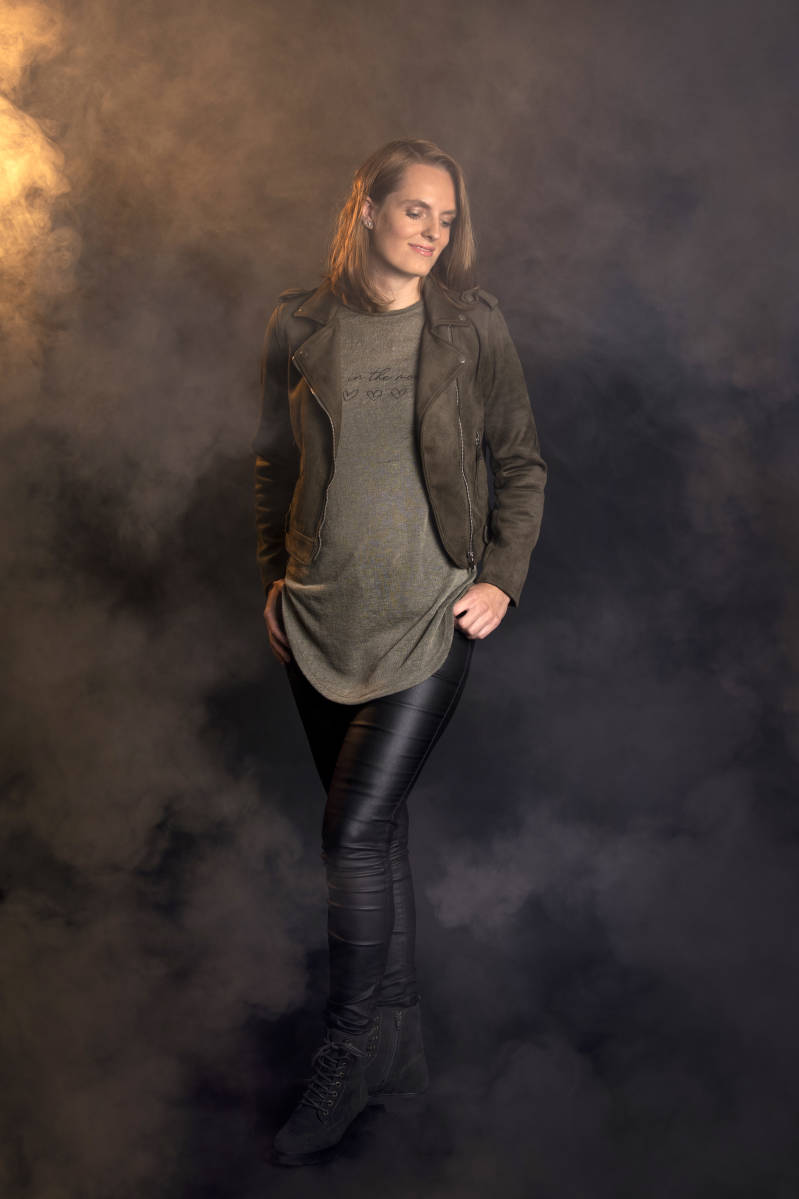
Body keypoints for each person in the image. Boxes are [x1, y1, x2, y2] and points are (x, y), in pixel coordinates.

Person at [253, 138, 546, 1166]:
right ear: (368, 208)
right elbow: (271, 461)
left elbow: (520, 461)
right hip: (320, 620)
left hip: (427, 618)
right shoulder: (299, 323)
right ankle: (401, 1046)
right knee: (379, 840)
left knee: (352, 833)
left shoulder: (471, 325)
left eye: (446, 217)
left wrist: (500, 576)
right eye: (415, 209)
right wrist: (274, 578)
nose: (432, 231)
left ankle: (349, 1048)